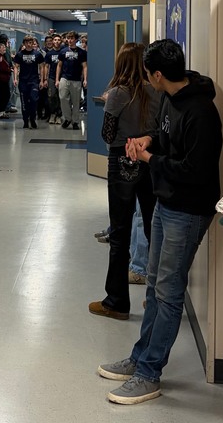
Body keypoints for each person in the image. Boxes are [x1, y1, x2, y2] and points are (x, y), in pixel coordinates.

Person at [98, 39, 222, 405]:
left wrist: (151, 158)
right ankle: (139, 357)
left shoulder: (201, 113)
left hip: (189, 210)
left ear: (157, 74)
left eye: (148, 76)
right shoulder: (170, 97)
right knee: (153, 285)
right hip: (167, 204)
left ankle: (150, 373)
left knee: (168, 293)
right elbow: (166, 140)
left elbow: (194, 171)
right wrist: (147, 140)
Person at [88, 43, 156, 321]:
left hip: (121, 162)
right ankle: (154, 299)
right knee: (154, 229)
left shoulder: (117, 93)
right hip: (151, 161)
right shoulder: (156, 92)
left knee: (120, 232)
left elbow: (107, 134)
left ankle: (116, 302)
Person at [12, 34, 45, 129]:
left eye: (31, 43)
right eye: (27, 43)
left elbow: (42, 67)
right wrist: (15, 78)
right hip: (23, 81)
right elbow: (16, 66)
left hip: (34, 81)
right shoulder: (20, 54)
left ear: (33, 43)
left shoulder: (37, 54)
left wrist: (42, 80)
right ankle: (25, 120)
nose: (29, 44)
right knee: (24, 102)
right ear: (24, 43)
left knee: (34, 100)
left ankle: (33, 118)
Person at [56, 31, 87, 129]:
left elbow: (84, 66)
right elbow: (59, 65)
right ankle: (68, 118)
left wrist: (85, 79)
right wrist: (57, 79)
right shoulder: (63, 51)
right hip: (64, 78)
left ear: (76, 39)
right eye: (68, 38)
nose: (69, 40)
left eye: (71, 38)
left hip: (76, 80)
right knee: (63, 98)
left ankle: (75, 122)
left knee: (76, 102)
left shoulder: (81, 52)